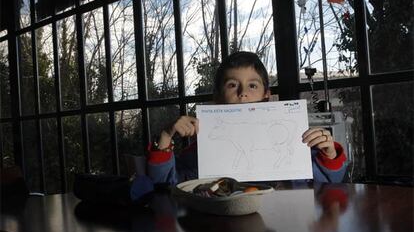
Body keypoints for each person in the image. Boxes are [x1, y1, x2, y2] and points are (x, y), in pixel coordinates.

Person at [146, 51, 347, 185]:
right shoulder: (201, 150)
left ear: (266, 94)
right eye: (232, 85)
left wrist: (328, 155)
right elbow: (164, 185)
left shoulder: (299, 144)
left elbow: (329, 183)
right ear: (217, 96)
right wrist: (165, 136)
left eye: (252, 85)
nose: (243, 93)